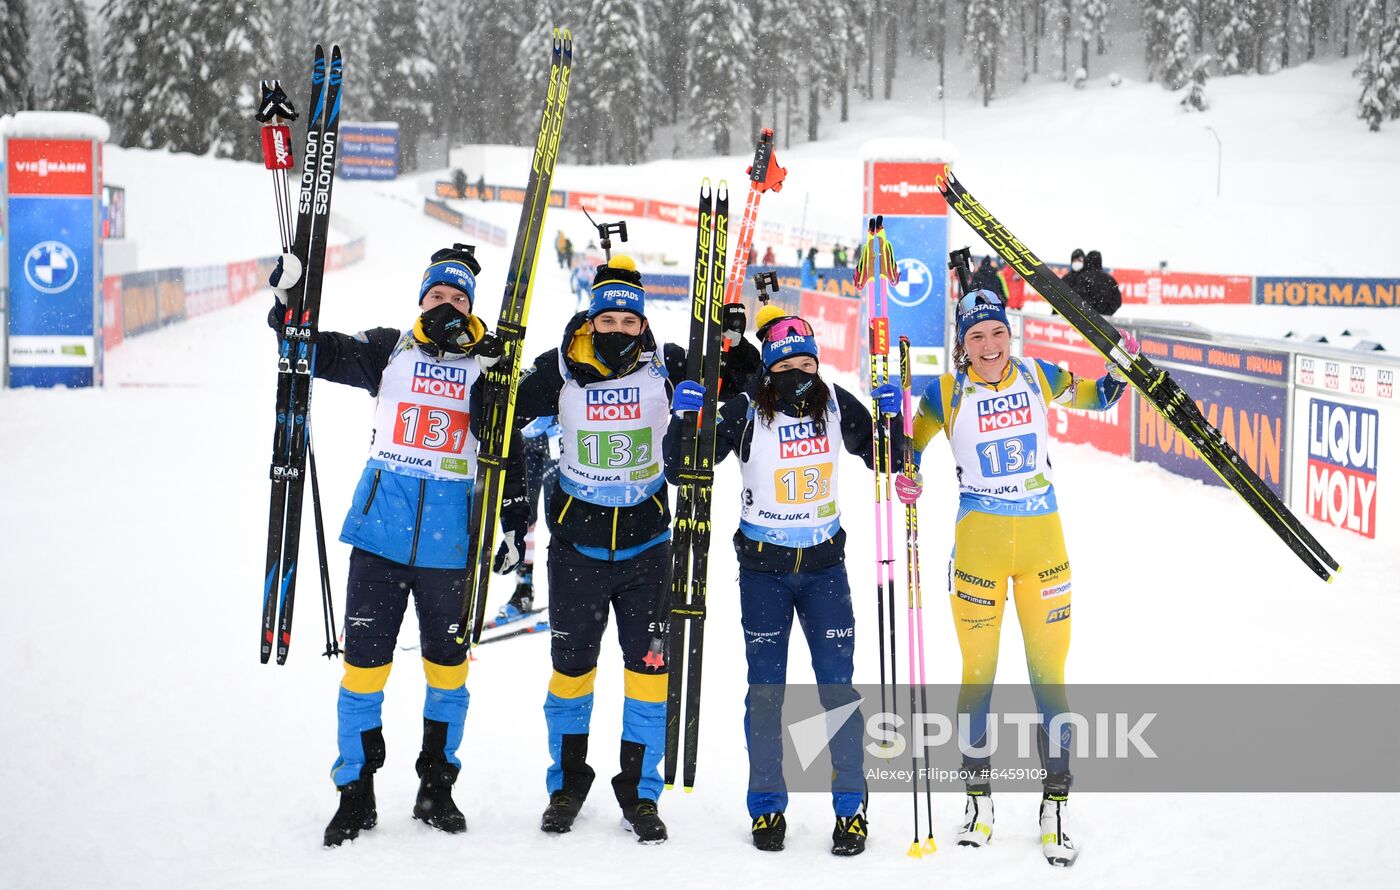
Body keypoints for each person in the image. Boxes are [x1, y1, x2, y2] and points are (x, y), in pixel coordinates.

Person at [267, 246, 529, 847]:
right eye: (438, 296)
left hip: (448, 550)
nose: (448, 305)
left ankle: (437, 787)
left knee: (448, 673)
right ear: (421, 300)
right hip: (379, 542)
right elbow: (315, 350)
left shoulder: (490, 363)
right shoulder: (392, 348)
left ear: (472, 308)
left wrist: (511, 525)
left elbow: (509, 455)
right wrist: (288, 308)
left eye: (459, 299)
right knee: (363, 673)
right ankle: (355, 793)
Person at [511, 254, 760, 843]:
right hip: (577, 550)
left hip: (649, 550)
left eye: (629, 321)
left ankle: (641, 793)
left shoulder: (670, 365)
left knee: (650, 675)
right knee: (571, 674)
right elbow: (500, 417)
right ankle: (567, 785)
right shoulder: (560, 369)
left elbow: (745, 382)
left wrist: (733, 344)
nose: (618, 329)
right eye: (609, 320)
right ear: (591, 320)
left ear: (642, 323)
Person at [897, 288, 1136, 868]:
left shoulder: (1037, 375)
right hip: (978, 554)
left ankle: (1056, 803)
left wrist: (1123, 367)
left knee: (1049, 680)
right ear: (963, 344)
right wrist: (903, 465)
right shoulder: (944, 393)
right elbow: (907, 453)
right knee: (977, 677)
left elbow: (1098, 395)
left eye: (996, 332)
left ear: (1010, 334)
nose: (988, 345)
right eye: (976, 336)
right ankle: (978, 801)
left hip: (1043, 552)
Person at [663, 305, 904, 857]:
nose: (802, 372)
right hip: (765, 573)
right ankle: (768, 805)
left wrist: (893, 421)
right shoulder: (746, 410)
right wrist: (686, 419)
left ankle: (850, 807)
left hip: (824, 570)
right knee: (767, 694)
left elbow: (892, 459)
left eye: (808, 361)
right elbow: (682, 470)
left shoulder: (836, 401)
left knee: (837, 691)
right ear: (769, 369)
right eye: (789, 362)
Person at [495, 415, 561, 622]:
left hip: (557, 437)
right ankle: (523, 589)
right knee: (524, 516)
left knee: (558, 521)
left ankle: (562, 597)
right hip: (526, 437)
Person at [1079, 250, 1123, 316]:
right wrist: (1107, 313)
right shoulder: (1109, 279)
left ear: (1087, 261)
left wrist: (1089, 312)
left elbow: (1078, 297)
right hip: (1105, 320)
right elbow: (1117, 301)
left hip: (1085, 318)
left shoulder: (1083, 277)